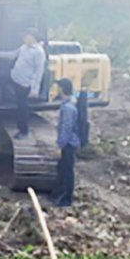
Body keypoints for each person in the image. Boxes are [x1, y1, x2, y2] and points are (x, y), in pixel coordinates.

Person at [0, 28, 46, 138]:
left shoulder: (38, 52)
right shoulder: (24, 47)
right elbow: (12, 55)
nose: (23, 38)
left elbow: (39, 71)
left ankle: (23, 130)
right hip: (14, 76)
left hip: (25, 83)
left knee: (22, 106)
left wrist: (35, 89)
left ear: (31, 37)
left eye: (25, 36)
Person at [53, 78, 80, 207]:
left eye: (59, 87)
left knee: (68, 171)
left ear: (62, 89)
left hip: (68, 144)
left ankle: (66, 199)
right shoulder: (68, 105)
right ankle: (59, 194)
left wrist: (60, 146)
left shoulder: (68, 108)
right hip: (68, 143)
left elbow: (66, 129)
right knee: (62, 169)